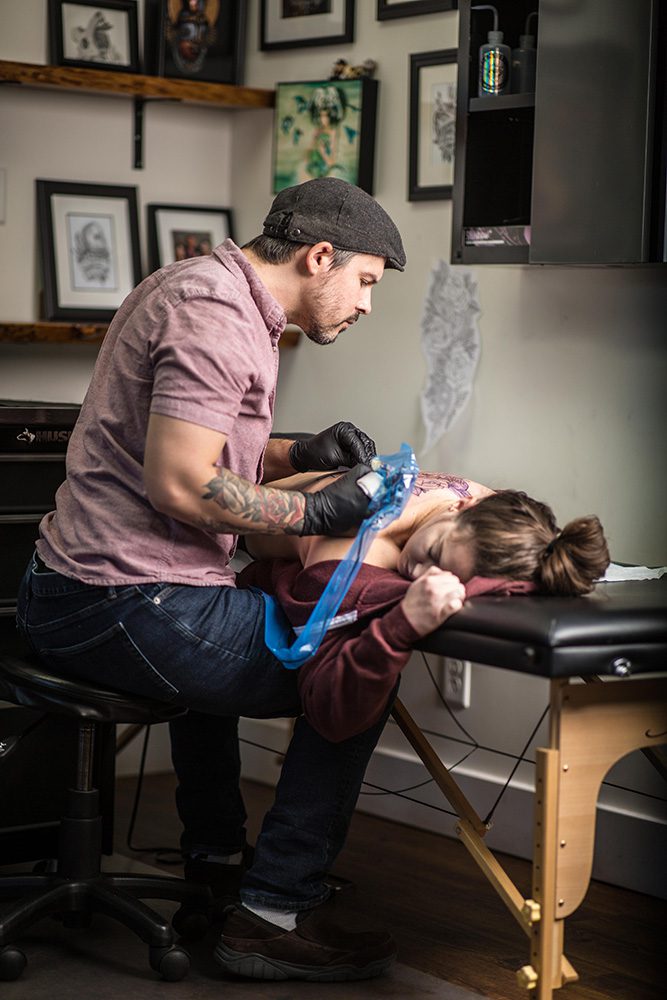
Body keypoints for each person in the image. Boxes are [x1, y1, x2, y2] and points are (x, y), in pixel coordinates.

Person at [16, 177, 407, 983]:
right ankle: (271, 914)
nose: (366, 305)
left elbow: (192, 437)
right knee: (353, 664)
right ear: (320, 256)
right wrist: (315, 510)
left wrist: (299, 453)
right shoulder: (217, 316)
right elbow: (181, 483)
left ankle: (215, 867)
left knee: (237, 615)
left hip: (78, 586)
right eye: (366, 281)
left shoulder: (204, 285)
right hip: (120, 599)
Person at [240, 468, 611, 743]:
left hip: (284, 483)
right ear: (461, 508)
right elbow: (327, 713)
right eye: (434, 553)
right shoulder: (350, 555)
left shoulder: (483, 503)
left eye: (445, 575)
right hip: (236, 527)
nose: (420, 574)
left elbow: (536, 556)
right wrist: (396, 630)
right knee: (373, 660)